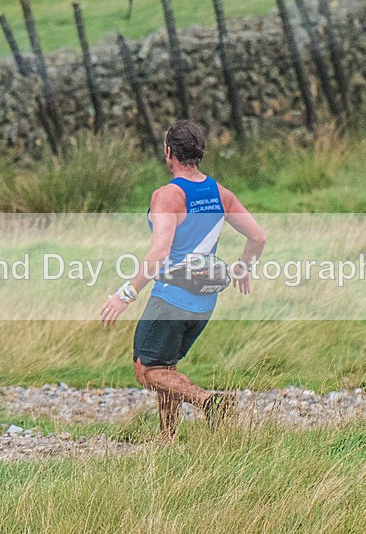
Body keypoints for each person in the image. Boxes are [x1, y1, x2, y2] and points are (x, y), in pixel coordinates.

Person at [100, 120, 267, 441]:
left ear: (168, 152)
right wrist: (244, 268)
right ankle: (167, 436)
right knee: (166, 366)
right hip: (205, 302)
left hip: (171, 296)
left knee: (147, 370)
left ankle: (210, 403)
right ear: (198, 152)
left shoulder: (168, 196)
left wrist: (125, 293)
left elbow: (159, 252)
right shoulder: (219, 192)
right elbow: (258, 237)